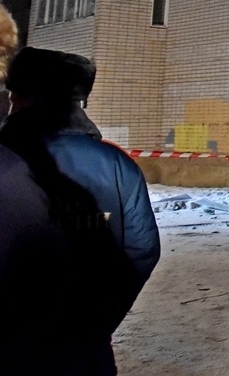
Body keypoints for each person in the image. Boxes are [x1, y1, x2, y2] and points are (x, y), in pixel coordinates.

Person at [0, 46, 162, 375]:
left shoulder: (5, 160)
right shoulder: (118, 166)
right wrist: (97, 319)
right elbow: (142, 250)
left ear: (19, 97)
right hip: (86, 354)